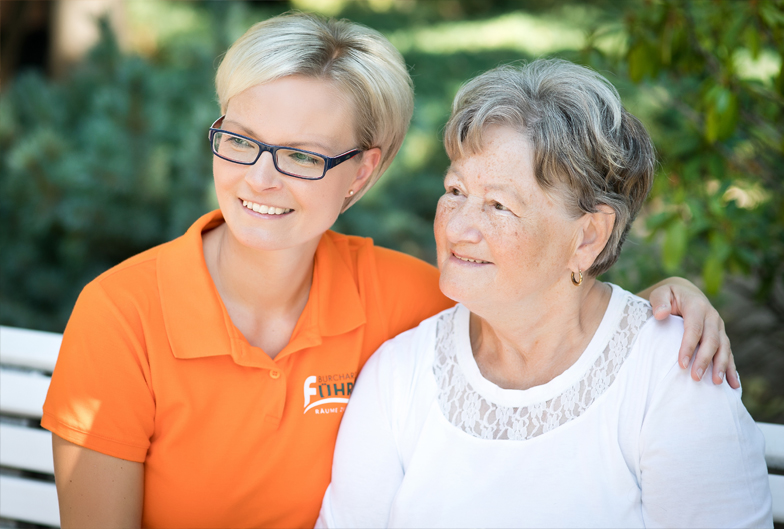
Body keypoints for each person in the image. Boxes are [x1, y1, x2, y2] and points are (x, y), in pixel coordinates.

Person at [43, 14, 739, 529]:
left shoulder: (406, 299)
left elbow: (538, 304)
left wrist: (658, 307)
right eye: (241, 141)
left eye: (303, 155)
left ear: (363, 172)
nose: (260, 178)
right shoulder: (123, 313)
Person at [317, 59, 772, 528]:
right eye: (455, 189)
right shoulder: (400, 372)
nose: (456, 226)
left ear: (589, 237)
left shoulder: (674, 374)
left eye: (498, 205)